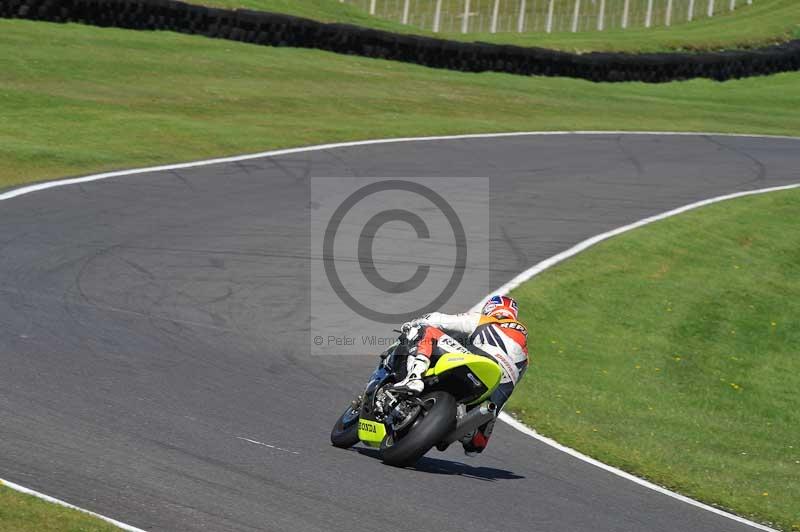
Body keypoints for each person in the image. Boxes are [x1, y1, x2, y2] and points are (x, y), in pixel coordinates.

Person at [392, 295, 529, 455]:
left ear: (490, 309)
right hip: (495, 385)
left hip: (479, 362)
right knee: (476, 445)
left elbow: (438, 319)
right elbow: (510, 385)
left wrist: (415, 323)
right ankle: (468, 430)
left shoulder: (486, 320)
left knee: (427, 331)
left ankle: (414, 378)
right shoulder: (526, 356)